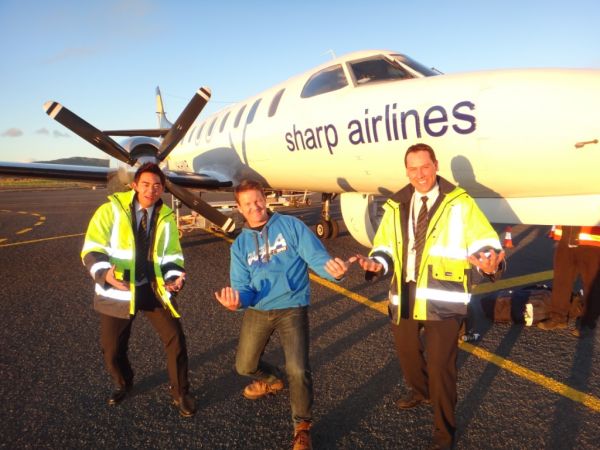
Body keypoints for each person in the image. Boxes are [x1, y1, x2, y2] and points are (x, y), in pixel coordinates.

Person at [355, 143, 505, 449]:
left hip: (444, 296)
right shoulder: (397, 205)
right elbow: (384, 247)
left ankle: (443, 433)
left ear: (435, 165)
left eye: (425, 167)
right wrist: (376, 264)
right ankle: (420, 391)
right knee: (409, 355)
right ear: (406, 171)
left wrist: (491, 262)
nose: (419, 174)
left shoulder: (459, 203)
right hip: (406, 292)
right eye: (413, 168)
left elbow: (484, 240)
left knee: (441, 369)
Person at [214, 180, 352, 450]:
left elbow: (317, 258)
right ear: (240, 209)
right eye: (247, 204)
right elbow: (242, 287)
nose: (255, 207)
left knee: (298, 369)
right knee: (244, 366)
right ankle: (273, 380)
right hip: (258, 308)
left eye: (258, 200)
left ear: (264, 199)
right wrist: (237, 302)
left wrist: (333, 271)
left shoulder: (291, 226)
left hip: (291, 304)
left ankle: (302, 427)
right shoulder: (240, 246)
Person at [81, 162, 195, 417]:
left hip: (152, 289)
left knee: (176, 339)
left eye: (157, 185)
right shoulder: (110, 210)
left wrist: (175, 278)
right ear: (134, 185)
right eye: (145, 184)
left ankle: (181, 393)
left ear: (163, 188)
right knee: (111, 349)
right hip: (119, 289)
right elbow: (92, 248)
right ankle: (124, 383)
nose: (151, 190)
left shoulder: (166, 217)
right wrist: (103, 272)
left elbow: (172, 255)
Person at [538, 225, 600, 338]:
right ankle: (558, 316)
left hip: (593, 241)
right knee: (561, 279)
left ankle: (588, 322)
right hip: (567, 238)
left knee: (591, 285)